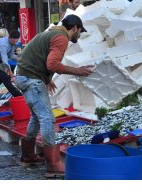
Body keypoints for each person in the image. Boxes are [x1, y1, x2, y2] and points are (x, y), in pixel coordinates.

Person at [15, 14, 93, 178]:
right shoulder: (61, 37)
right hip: (31, 79)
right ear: (74, 28)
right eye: (79, 31)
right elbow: (52, 63)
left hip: (25, 76)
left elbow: (40, 57)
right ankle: (53, 164)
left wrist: (47, 79)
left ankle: (28, 156)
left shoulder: (50, 33)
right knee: (47, 118)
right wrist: (77, 71)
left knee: (36, 117)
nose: (79, 35)